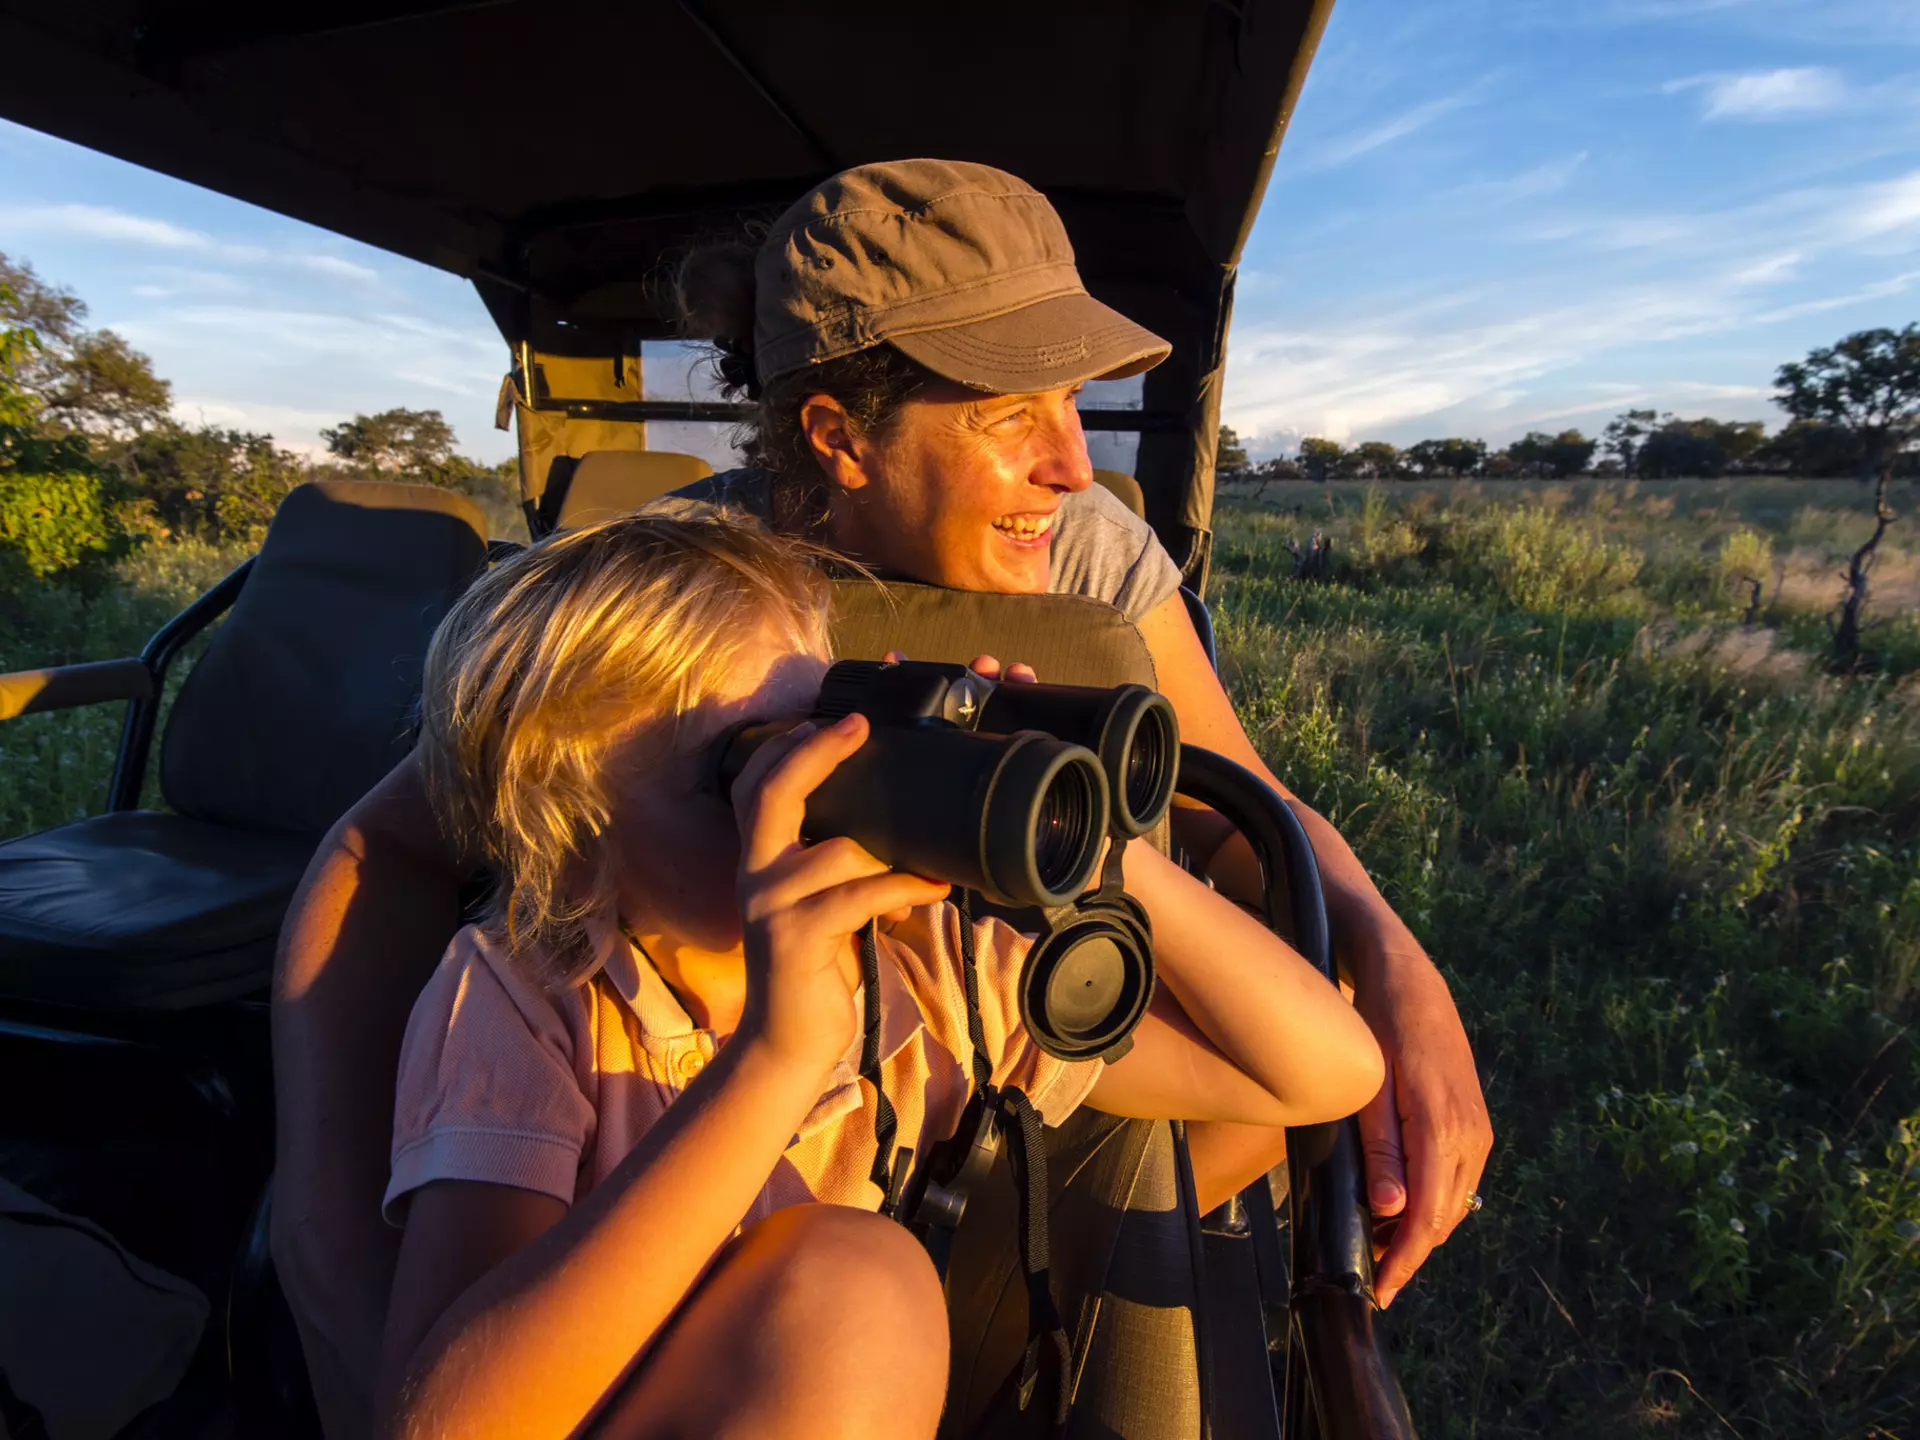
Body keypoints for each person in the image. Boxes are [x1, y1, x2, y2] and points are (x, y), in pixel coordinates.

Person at [272, 158, 1490, 1437]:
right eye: (1004, 413)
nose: (1073, 465)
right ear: (839, 435)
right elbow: (406, 833)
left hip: (934, 1130)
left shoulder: (1079, 558)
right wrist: (326, 1234)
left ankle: (1079, 1306)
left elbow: (1237, 802)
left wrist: (1395, 965)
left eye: (1074, 400)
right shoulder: (683, 598)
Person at [373, 509, 1383, 1438]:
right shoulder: (527, 999)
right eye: (744, 768)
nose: (812, 796)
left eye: (827, 734)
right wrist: (775, 1061)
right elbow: (445, 1422)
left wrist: (1103, 849)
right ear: (574, 836)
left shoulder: (924, 969)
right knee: (851, 1278)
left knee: (860, 1282)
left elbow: (1321, 1072)